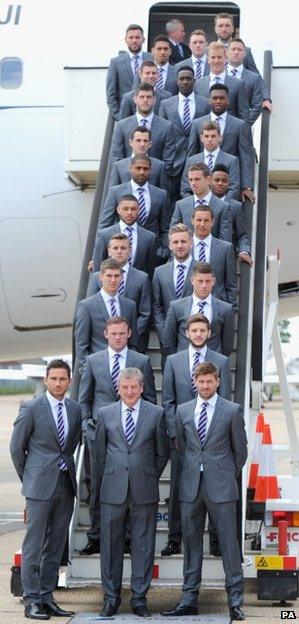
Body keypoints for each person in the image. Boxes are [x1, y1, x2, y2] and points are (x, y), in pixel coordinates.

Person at [162, 362, 247, 621]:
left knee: (229, 546)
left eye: (210, 381)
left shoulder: (231, 410)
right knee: (191, 545)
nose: (206, 386)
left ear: (218, 382)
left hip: (221, 487)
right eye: (201, 382)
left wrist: (221, 473)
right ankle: (189, 600)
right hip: (190, 487)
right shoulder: (183, 411)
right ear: (195, 383)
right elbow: (183, 448)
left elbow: (240, 452)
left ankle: (235, 602)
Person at [10, 359, 81, 620]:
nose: (58, 383)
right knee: (34, 544)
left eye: (63, 379)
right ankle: (31, 600)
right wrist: (29, 479)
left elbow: (70, 445)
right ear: (46, 380)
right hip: (39, 486)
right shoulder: (30, 408)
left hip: (65, 484)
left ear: (69, 381)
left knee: (55, 545)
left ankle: (47, 596)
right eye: (54, 379)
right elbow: (17, 449)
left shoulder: (75, 409)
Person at [94, 368, 169, 617]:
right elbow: (100, 455)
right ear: (118, 388)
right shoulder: (105, 414)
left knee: (144, 545)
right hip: (113, 490)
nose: (129, 392)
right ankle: (111, 597)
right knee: (110, 546)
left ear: (141, 388)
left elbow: (162, 453)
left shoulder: (156, 414)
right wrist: (116, 475)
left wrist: (146, 475)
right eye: (124, 387)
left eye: (133, 387)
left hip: (144, 489)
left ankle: (139, 598)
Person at [78, 317, 156, 556]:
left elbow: (150, 398)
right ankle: (96, 536)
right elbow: (85, 399)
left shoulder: (141, 361)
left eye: (122, 333)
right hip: (100, 437)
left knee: (131, 489)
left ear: (129, 333)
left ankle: (128, 539)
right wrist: (87, 428)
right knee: (97, 487)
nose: (118, 337)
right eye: (114, 334)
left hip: (132, 436)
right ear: (106, 334)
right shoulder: (92, 361)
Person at [161, 315, 232, 556]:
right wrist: (174, 434)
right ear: (186, 333)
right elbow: (168, 400)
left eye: (203, 330)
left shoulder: (221, 361)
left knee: (214, 488)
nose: (199, 334)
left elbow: (226, 403)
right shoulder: (173, 361)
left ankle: (215, 541)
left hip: (212, 439)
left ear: (209, 333)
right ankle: (174, 538)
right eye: (194, 330)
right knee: (179, 489)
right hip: (183, 438)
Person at [187, 84, 255, 203]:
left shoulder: (239, 125)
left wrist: (246, 186)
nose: (218, 101)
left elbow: (244, 155)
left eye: (222, 98)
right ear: (209, 100)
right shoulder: (197, 124)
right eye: (214, 98)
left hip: (226, 185)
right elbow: (192, 152)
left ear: (228, 100)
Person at [87, 233, 151, 352]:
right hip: (100, 346)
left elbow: (145, 313)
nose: (119, 251)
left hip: (129, 344)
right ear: (109, 251)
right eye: (116, 248)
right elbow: (91, 309)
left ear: (130, 250)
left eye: (123, 248)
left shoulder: (142, 278)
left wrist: (127, 334)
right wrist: (109, 336)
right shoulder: (96, 278)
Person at [99, 155, 170, 260]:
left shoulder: (161, 194)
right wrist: (98, 253)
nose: (142, 172)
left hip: (151, 254)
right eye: (138, 168)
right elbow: (105, 223)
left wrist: (164, 250)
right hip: (119, 252)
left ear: (150, 170)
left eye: (145, 169)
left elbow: (165, 227)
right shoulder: (116, 192)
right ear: (130, 168)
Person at [75, 258, 138, 372]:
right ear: (100, 277)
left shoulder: (130, 305)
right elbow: (81, 344)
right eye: (109, 276)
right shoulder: (86, 306)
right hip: (98, 370)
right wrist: (87, 371)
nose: (113, 280)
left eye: (116, 276)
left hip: (125, 373)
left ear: (122, 277)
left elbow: (133, 341)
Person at [163, 262, 235, 356]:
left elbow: (227, 344)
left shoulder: (225, 309)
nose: (204, 285)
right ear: (192, 280)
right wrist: (179, 360)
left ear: (213, 281)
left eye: (208, 281)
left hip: (213, 365)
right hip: (184, 362)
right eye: (200, 281)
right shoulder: (177, 307)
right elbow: (169, 340)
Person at [158, 66, 210, 192]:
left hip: (197, 160)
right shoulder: (166, 104)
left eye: (189, 78)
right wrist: (166, 161)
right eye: (182, 79)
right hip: (173, 162)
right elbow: (162, 134)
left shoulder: (205, 103)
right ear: (177, 81)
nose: (185, 81)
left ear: (195, 80)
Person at [110, 82, 176, 174]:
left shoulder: (167, 127)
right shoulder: (122, 126)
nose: (145, 100)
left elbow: (169, 160)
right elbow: (117, 157)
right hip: (128, 182)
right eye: (141, 97)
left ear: (154, 100)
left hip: (156, 183)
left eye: (149, 97)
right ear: (135, 99)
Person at [214, 11, 272, 111]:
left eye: (227, 26)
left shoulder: (245, 51)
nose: (224, 29)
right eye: (220, 26)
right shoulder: (208, 51)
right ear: (215, 28)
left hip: (240, 104)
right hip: (216, 103)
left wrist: (266, 99)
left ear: (232, 28)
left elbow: (256, 76)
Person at [152, 224, 197, 347]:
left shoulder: (201, 269)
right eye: (175, 242)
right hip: (167, 341)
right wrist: (164, 334)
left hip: (195, 338)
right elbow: (156, 306)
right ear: (170, 245)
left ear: (191, 243)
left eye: (183, 241)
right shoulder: (159, 272)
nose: (180, 245)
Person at [92, 195, 155, 273]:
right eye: (125, 209)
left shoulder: (149, 237)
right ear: (118, 210)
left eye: (133, 209)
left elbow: (150, 267)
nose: (129, 212)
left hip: (136, 283)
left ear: (139, 210)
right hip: (111, 282)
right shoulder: (104, 235)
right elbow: (97, 267)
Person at [171, 162, 232, 242]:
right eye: (190, 180)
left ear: (208, 180)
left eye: (197, 179)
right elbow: (173, 236)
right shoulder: (181, 205)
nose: (193, 183)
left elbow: (224, 242)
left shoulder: (223, 207)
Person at [191, 207, 238, 308]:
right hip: (189, 309)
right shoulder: (182, 247)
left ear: (212, 222)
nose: (202, 224)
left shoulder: (225, 248)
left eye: (206, 220)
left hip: (216, 310)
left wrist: (230, 311)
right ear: (192, 221)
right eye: (199, 220)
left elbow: (231, 285)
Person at [180, 120, 240, 199]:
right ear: (201, 138)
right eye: (206, 136)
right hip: (197, 208)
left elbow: (233, 189)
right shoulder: (191, 161)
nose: (209, 139)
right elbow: (185, 190)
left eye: (213, 136)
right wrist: (196, 205)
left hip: (222, 207)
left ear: (220, 138)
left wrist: (220, 206)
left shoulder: (231, 161)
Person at [194, 41, 249, 122]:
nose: (216, 61)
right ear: (208, 59)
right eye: (213, 57)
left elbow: (244, 115)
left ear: (226, 58)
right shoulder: (198, 84)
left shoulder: (238, 84)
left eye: (219, 57)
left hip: (230, 132)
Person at [106, 24, 152, 120]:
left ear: (143, 39)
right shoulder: (115, 62)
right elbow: (111, 93)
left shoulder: (152, 59)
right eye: (131, 37)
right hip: (125, 117)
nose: (134, 40)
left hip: (149, 115)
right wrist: (119, 116)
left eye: (137, 37)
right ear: (126, 39)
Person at [211, 164, 252, 265]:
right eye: (216, 180)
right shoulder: (200, 203)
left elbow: (242, 235)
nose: (220, 183)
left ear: (229, 184)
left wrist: (244, 251)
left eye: (224, 181)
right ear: (209, 181)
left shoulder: (235, 207)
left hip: (224, 260)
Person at [109, 126, 169, 191]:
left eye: (145, 141)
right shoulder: (119, 166)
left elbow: (164, 194)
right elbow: (112, 192)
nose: (142, 144)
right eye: (138, 140)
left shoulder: (159, 166)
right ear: (131, 142)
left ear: (150, 144)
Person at [227, 38, 263, 125]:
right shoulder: (219, 75)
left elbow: (257, 105)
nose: (236, 52)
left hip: (243, 129)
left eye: (240, 50)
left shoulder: (254, 78)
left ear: (244, 54)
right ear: (226, 52)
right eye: (233, 49)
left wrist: (245, 124)